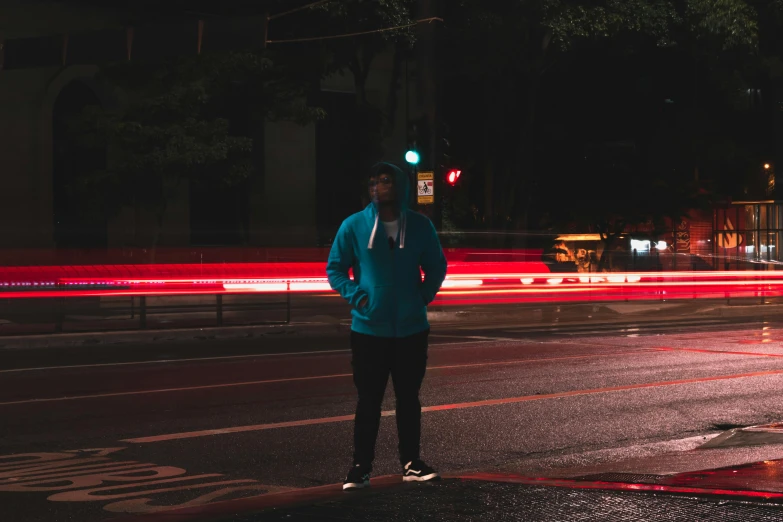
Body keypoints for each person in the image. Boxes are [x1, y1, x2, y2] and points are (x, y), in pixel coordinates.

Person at [327, 161, 447, 490]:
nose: (376, 187)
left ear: (399, 185)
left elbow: (437, 266)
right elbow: (335, 268)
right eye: (372, 182)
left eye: (384, 181)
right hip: (369, 330)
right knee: (369, 401)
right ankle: (360, 467)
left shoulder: (421, 227)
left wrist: (421, 296)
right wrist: (359, 297)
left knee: (409, 399)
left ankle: (412, 463)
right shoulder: (353, 226)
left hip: (411, 329)